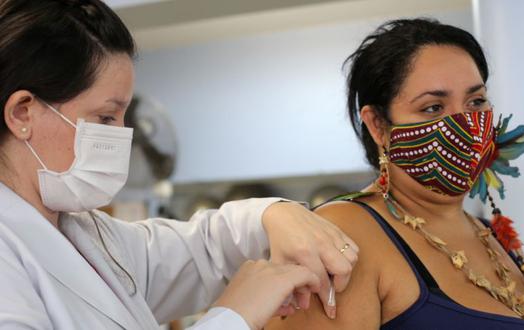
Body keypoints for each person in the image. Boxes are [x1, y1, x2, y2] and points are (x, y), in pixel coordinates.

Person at [0, 1, 360, 329]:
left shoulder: (89, 236)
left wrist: (273, 215)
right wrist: (233, 317)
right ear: (22, 113)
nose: (123, 137)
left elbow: (203, 249)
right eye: (106, 117)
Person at [267, 18, 524, 329]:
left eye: (476, 101)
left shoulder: (492, 235)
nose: (466, 125)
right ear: (378, 125)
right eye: (433, 107)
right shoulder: (343, 234)